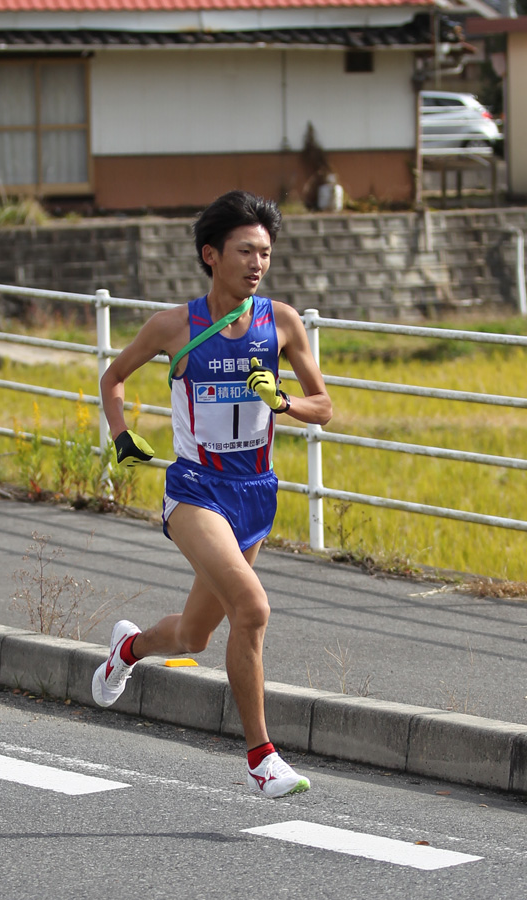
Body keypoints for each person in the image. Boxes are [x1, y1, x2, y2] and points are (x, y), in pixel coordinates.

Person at [92, 190, 332, 798]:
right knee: (251, 610)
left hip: (255, 494)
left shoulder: (281, 323)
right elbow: (113, 377)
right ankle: (261, 758)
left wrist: (283, 402)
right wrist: (122, 435)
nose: (257, 263)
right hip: (195, 492)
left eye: (266, 253)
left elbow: (324, 406)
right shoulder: (174, 326)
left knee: (196, 636)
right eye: (246, 251)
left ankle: (129, 647)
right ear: (211, 255)